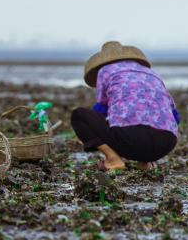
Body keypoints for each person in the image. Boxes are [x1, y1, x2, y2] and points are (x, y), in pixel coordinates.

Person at [71, 41, 179, 171]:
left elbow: (101, 109)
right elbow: (175, 116)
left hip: (131, 140)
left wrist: (92, 135)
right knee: (149, 118)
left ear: (101, 62)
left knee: (79, 116)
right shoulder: (152, 73)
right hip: (167, 142)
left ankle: (113, 160)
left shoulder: (105, 70)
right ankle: (145, 163)